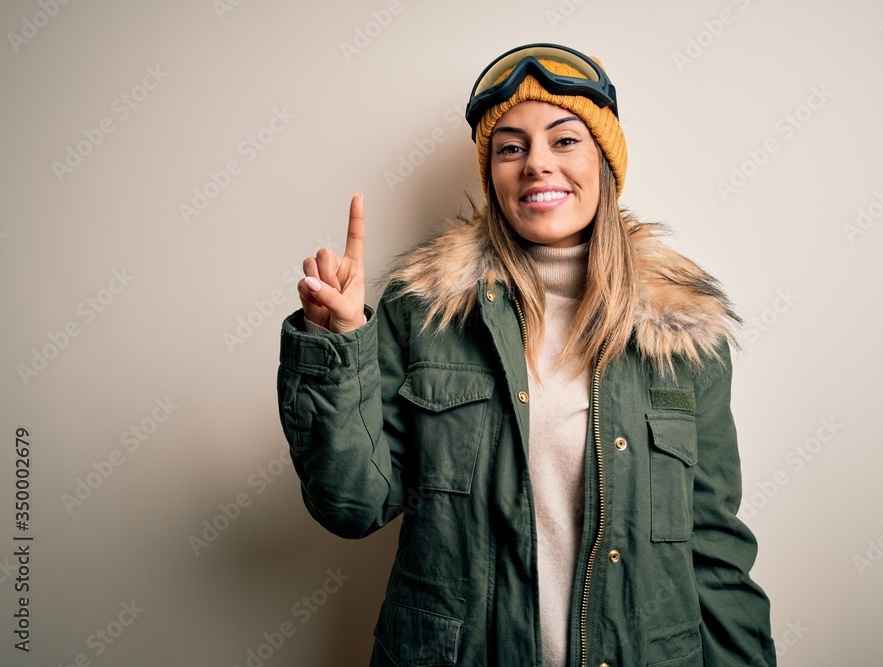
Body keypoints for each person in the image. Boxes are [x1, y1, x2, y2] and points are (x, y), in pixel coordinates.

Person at [277, 43, 776, 666]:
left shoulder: (681, 332)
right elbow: (352, 504)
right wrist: (339, 345)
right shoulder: (426, 309)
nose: (537, 164)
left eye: (564, 140)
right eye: (511, 147)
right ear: (492, 174)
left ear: (605, 161)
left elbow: (715, 550)